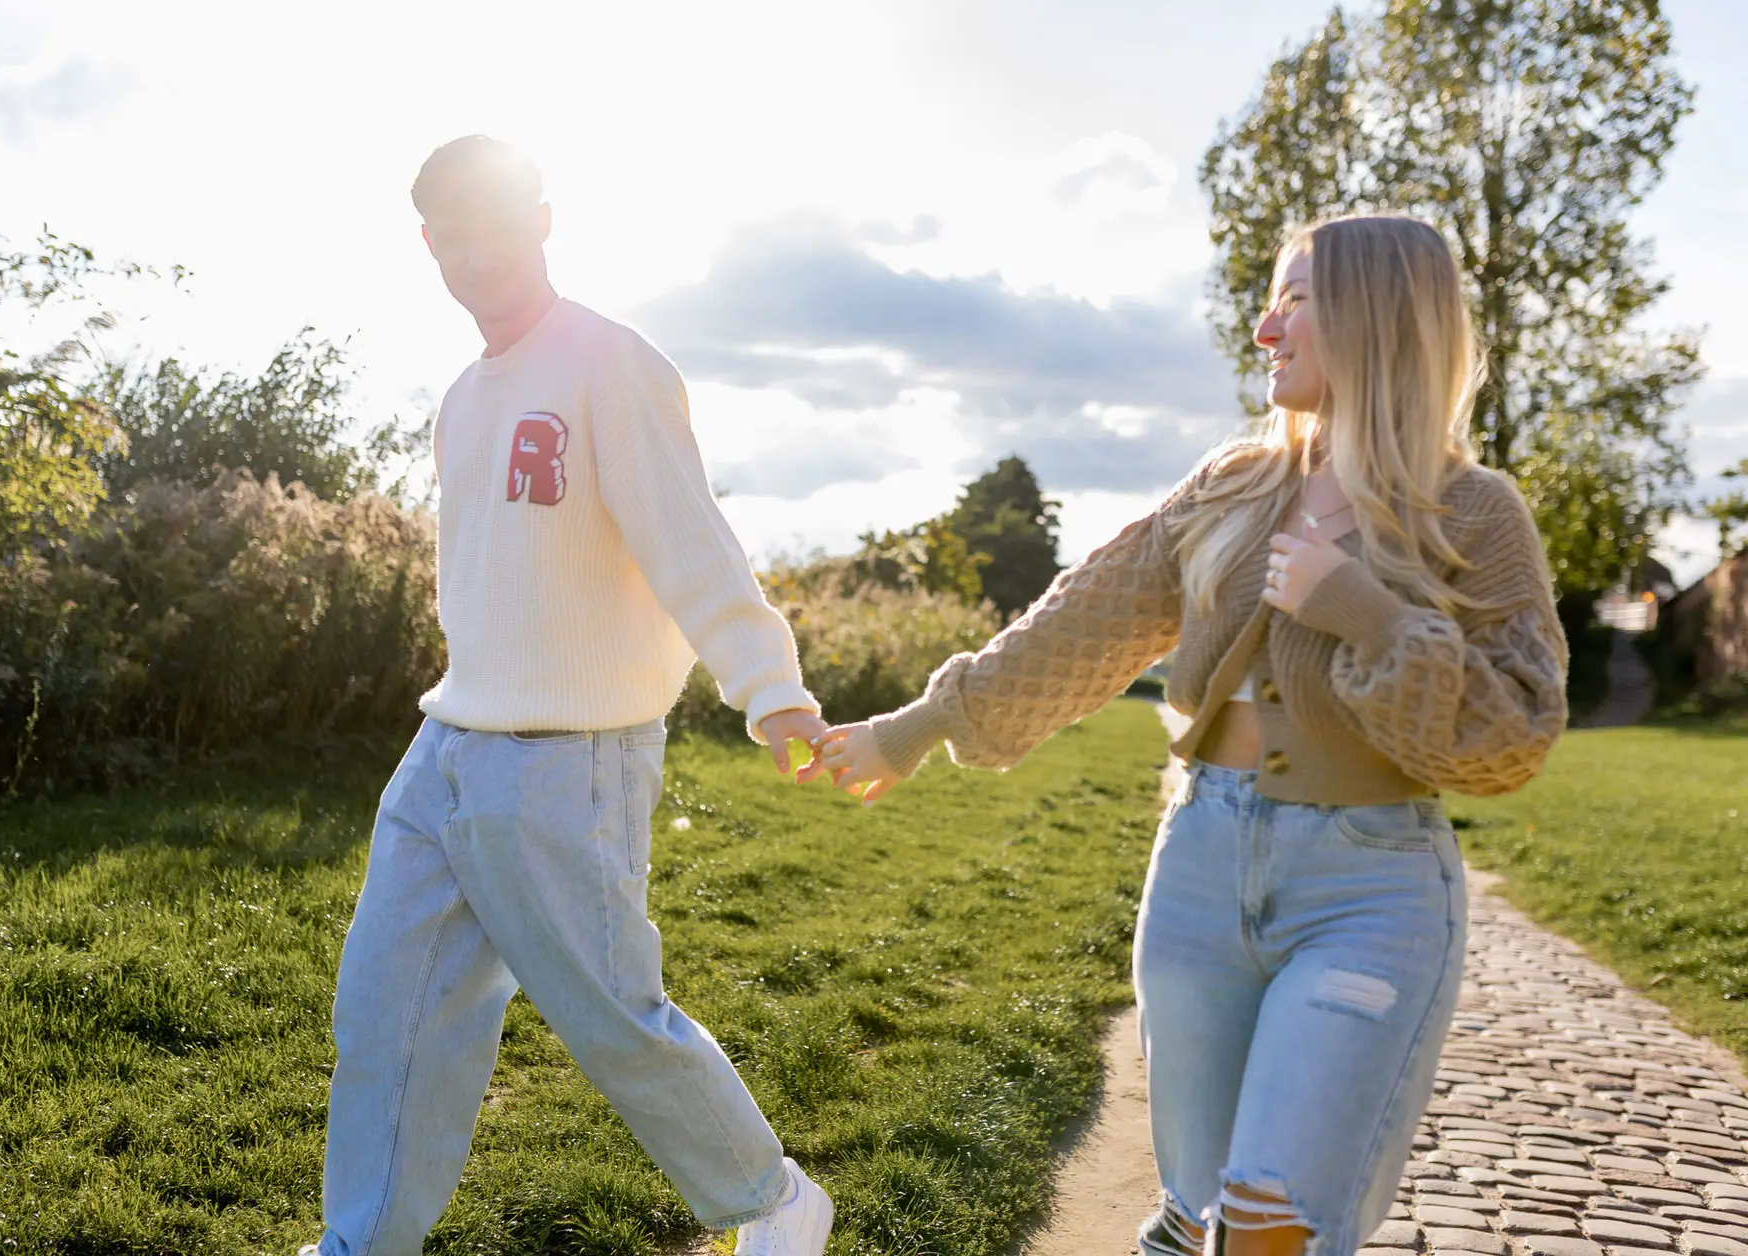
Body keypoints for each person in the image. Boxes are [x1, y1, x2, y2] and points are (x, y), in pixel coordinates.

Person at [800, 214, 1568, 1256]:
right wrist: (919, 724)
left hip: (1368, 887)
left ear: (1378, 316)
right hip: (1201, 864)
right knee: (1198, 1213)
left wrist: (1371, 612)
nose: (1265, 327)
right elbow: (1083, 621)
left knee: (1267, 1217)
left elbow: (1516, 730)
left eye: (1295, 299)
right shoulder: (1229, 487)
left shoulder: (1475, 514)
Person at [301, 136, 834, 1256]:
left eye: (495, 224)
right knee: (385, 1011)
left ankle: (773, 1199)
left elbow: (691, 537)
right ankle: (365, 1241)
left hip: (569, 753)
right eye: (452, 234)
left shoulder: (609, 363)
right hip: (447, 743)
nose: (474, 253)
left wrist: (768, 682)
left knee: (608, 1014)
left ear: (543, 219)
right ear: (428, 245)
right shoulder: (461, 396)